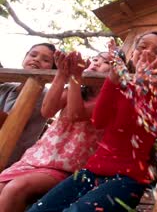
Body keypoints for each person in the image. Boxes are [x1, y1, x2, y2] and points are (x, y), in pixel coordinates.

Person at [28, 31, 157, 212]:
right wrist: (113, 79)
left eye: (156, 51)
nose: (146, 53)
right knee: (38, 209)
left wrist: (140, 87)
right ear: (132, 53)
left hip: (129, 178)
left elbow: (132, 127)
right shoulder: (121, 84)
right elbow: (99, 120)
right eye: (142, 47)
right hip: (92, 170)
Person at [0, 51, 111, 212]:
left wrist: (74, 77)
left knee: (15, 188)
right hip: (36, 159)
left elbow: (75, 114)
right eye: (94, 59)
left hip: (69, 168)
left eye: (106, 61)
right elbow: (47, 111)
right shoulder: (75, 90)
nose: (96, 63)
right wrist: (62, 72)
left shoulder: (111, 98)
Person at [0, 43, 56, 167]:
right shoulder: (5, 88)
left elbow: (5, 121)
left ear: (52, 70)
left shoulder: (43, 95)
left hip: (10, 159)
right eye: (33, 55)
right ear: (25, 57)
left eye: (45, 60)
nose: (36, 59)